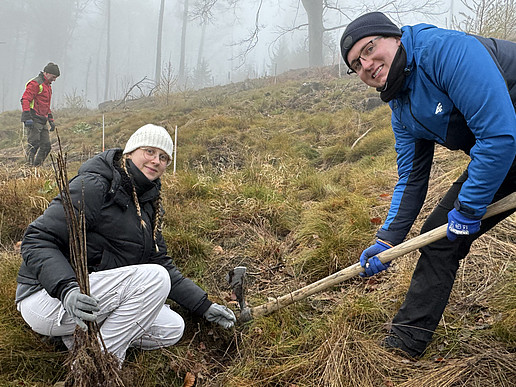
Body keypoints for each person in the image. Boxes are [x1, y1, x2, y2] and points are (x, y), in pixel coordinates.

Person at [340, 12, 516, 358]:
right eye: (356, 64)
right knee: (439, 238)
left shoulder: (445, 52)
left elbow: (498, 136)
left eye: (370, 48)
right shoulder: (401, 107)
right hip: (507, 151)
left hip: (506, 140)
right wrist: (386, 239)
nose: (367, 64)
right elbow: (412, 178)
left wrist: (468, 209)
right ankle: (404, 345)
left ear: (394, 37)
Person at [15, 124, 236, 365]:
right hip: (49, 297)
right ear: (131, 152)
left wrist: (203, 305)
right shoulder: (97, 185)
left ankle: (80, 339)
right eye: (149, 151)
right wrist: (67, 289)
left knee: (172, 328)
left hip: (94, 295)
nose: (156, 161)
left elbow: (157, 260)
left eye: (163, 157)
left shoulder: (147, 202)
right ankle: (99, 365)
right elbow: (37, 239)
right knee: (155, 279)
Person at [20, 62, 60, 166]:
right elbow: (25, 99)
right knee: (33, 144)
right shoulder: (35, 83)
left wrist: (51, 120)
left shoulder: (47, 86)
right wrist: (27, 117)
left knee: (46, 146)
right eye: (53, 77)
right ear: (46, 73)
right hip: (33, 118)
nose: (54, 80)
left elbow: (45, 104)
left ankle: (36, 167)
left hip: (43, 119)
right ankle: (28, 168)